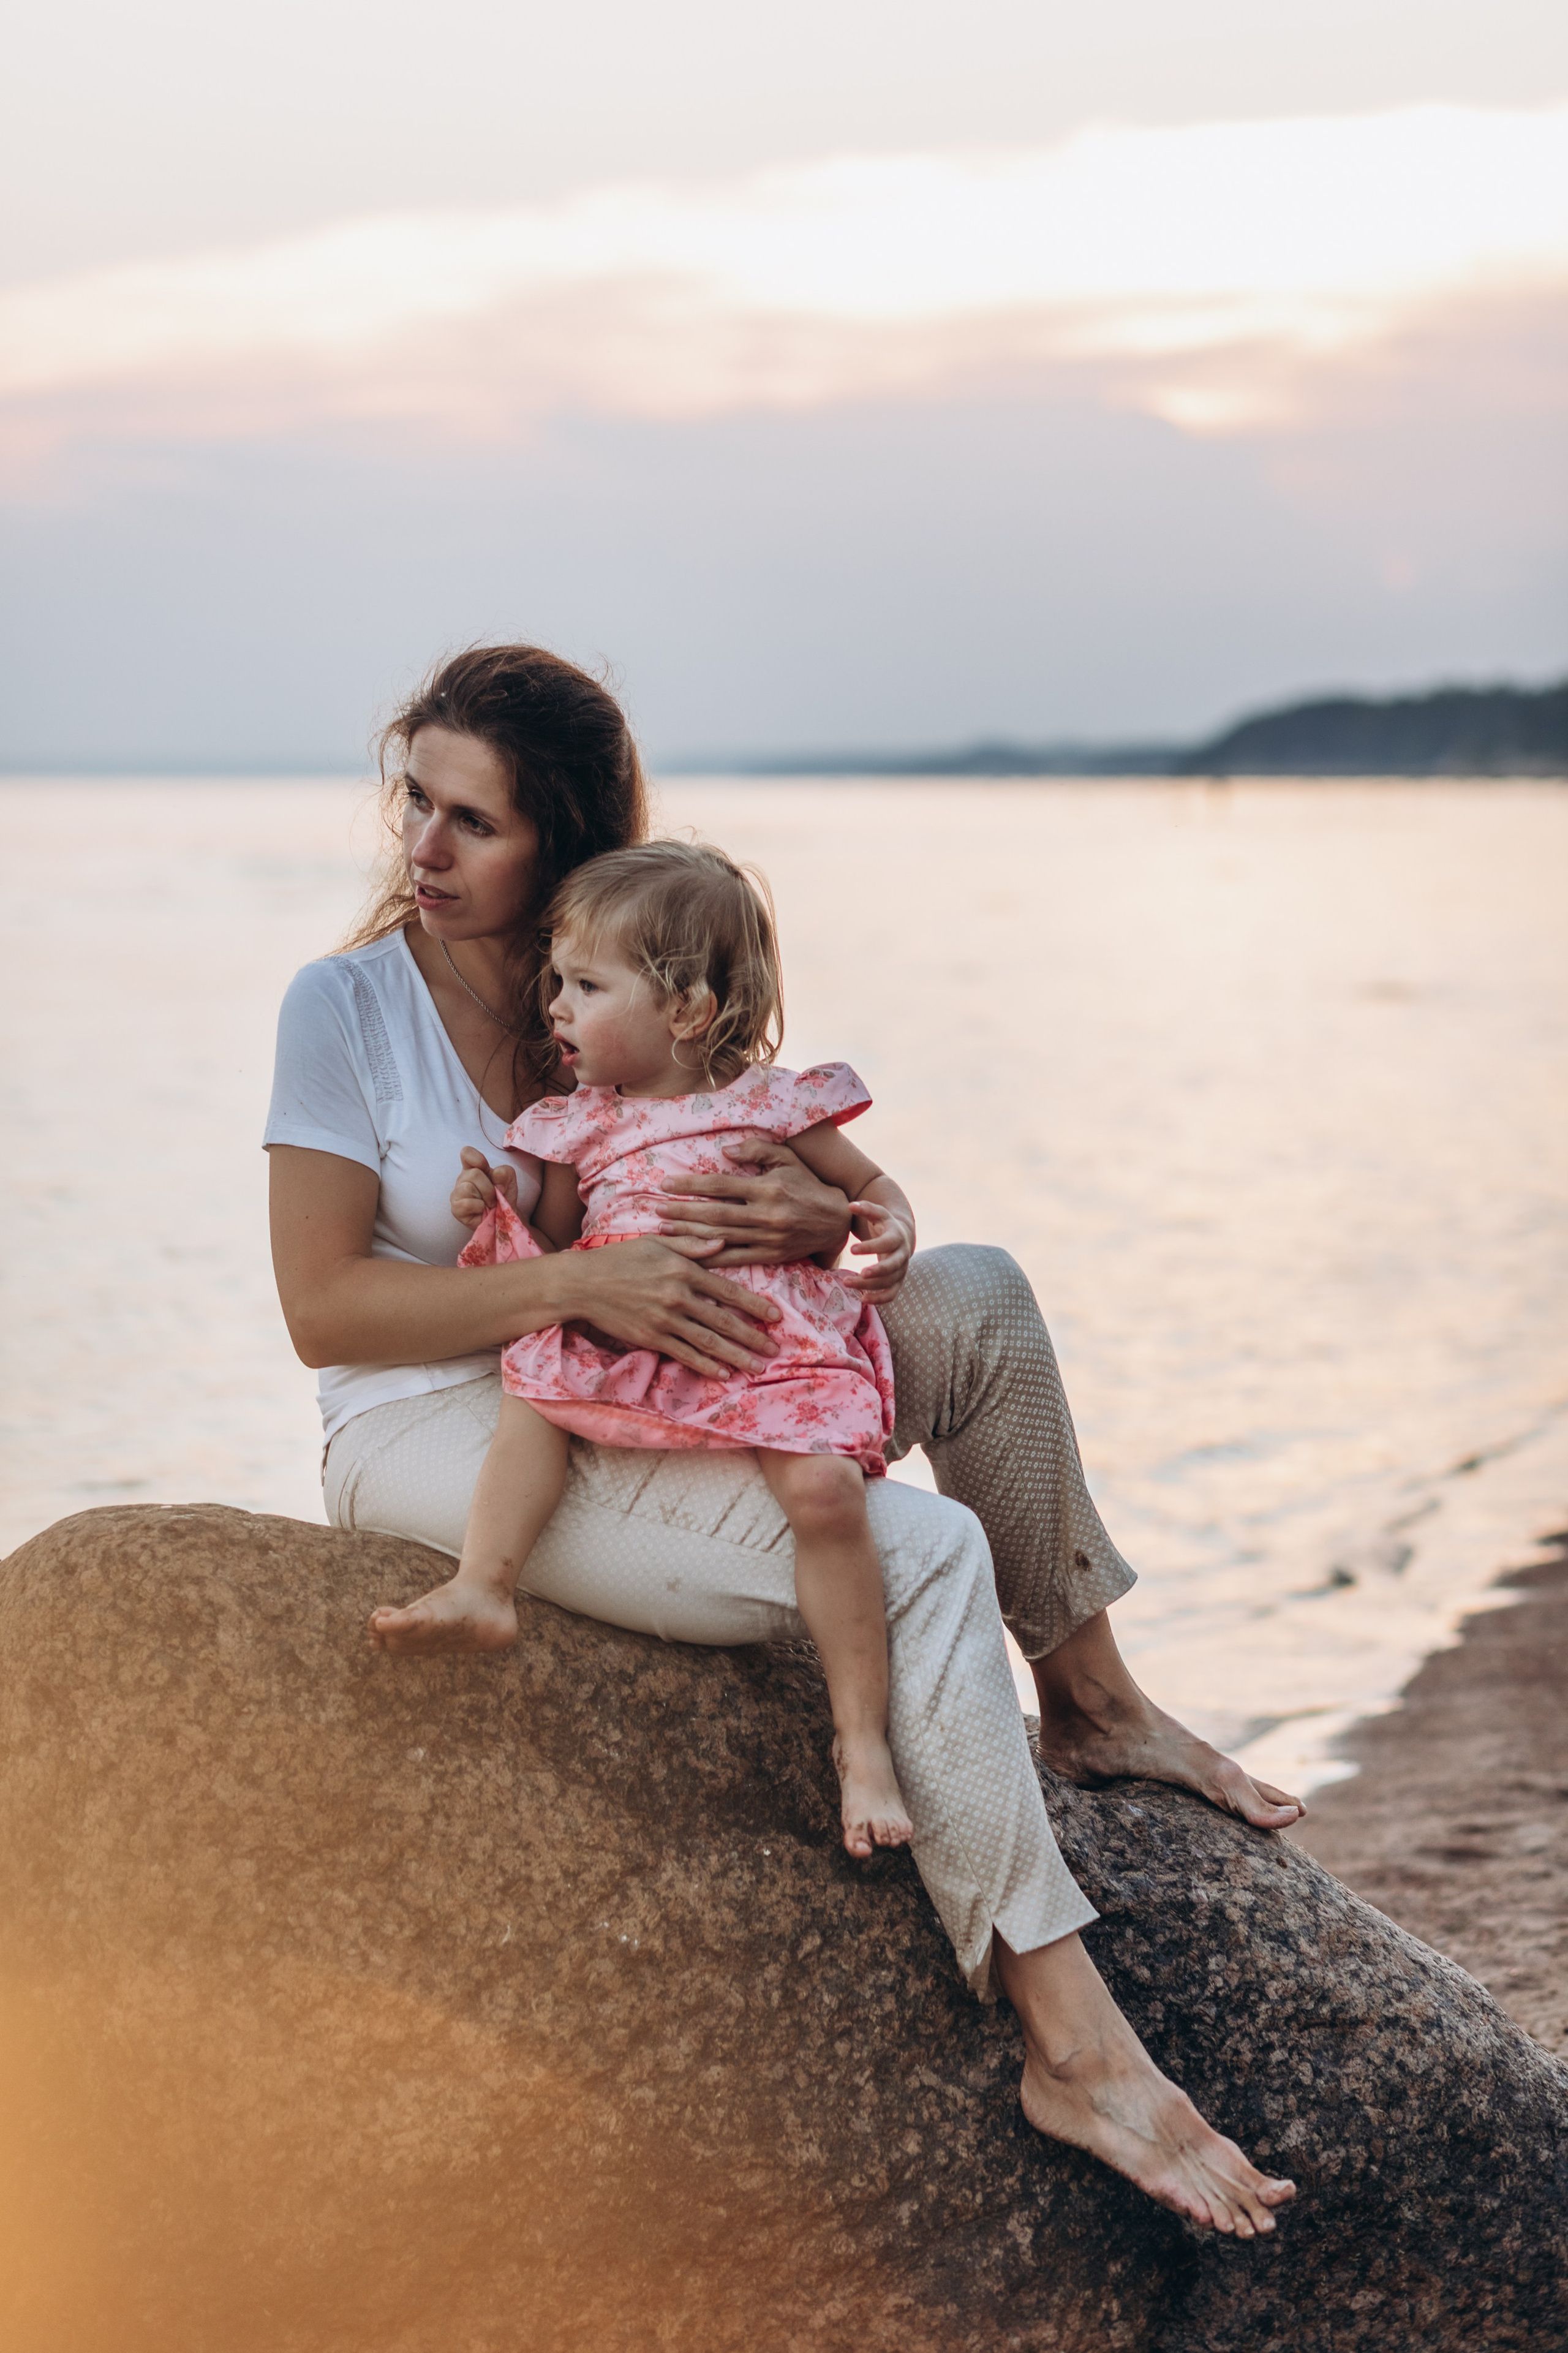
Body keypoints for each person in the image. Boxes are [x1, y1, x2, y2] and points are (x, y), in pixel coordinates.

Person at [265, 641, 1298, 2234]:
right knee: (922, 1549)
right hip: (446, 1422)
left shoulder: (610, 984)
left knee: (982, 1297)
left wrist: (837, 1220)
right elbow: (324, 1313)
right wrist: (582, 1274)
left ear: (567, 843)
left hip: (660, 1359)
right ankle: (1071, 2040)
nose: (424, 849)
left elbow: (786, 1173)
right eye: (418, 801)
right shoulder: (343, 1007)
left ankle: (1092, 1701)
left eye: (473, 821)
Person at [371, 839, 921, 1859]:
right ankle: (485, 1580)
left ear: (687, 1012)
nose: (557, 1008)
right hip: (633, 1333)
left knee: (828, 1497)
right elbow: (559, 1229)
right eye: (557, 982)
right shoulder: (579, 1124)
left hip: (760, 1340)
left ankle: (862, 1741)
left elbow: (872, 1189)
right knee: (533, 1389)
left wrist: (884, 1225)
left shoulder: (767, 1102)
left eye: (586, 985)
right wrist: (490, 1198)